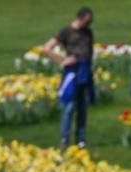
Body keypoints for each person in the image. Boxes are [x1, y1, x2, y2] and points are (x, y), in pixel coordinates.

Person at [42, 7, 95, 149]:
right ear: (80, 18)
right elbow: (47, 47)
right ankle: (64, 138)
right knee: (69, 106)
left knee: (83, 106)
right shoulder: (67, 32)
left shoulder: (88, 32)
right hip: (72, 72)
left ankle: (80, 138)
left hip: (85, 71)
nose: (89, 24)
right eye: (87, 21)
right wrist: (61, 61)